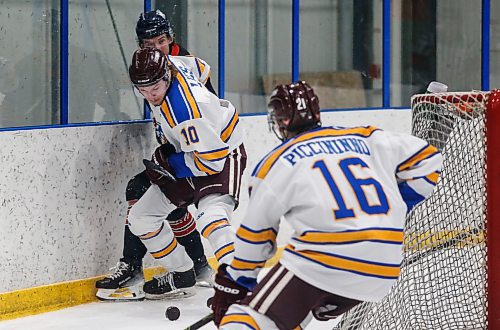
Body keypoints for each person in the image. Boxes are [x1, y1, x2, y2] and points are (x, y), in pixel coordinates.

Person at [210, 81, 443, 329]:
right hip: (383, 268)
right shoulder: (364, 137)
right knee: (289, 313)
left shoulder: (276, 162)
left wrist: (238, 279)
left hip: (325, 261)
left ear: (280, 121)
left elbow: (257, 234)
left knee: (244, 319)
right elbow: (429, 159)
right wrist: (395, 205)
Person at [95, 9, 217, 301]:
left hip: (202, 156)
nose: (157, 48)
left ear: (170, 38)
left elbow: (207, 119)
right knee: (158, 197)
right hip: (181, 151)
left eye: (161, 41)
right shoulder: (150, 65)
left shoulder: (186, 66)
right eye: (149, 45)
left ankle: (139, 268)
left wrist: (179, 156)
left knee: (144, 190)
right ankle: (198, 267)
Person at [124, 47, 246, 299]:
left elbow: (211, 162)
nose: (149, 95)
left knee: (211, 218)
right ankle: (183, 273)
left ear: (166, 78)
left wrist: (171, 165)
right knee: (141, 217)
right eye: (142, 90)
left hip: (221, 154)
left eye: (154, 89)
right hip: (193, 153)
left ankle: (241, 286)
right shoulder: (169, 62)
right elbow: (202, 67)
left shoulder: (186, 111)